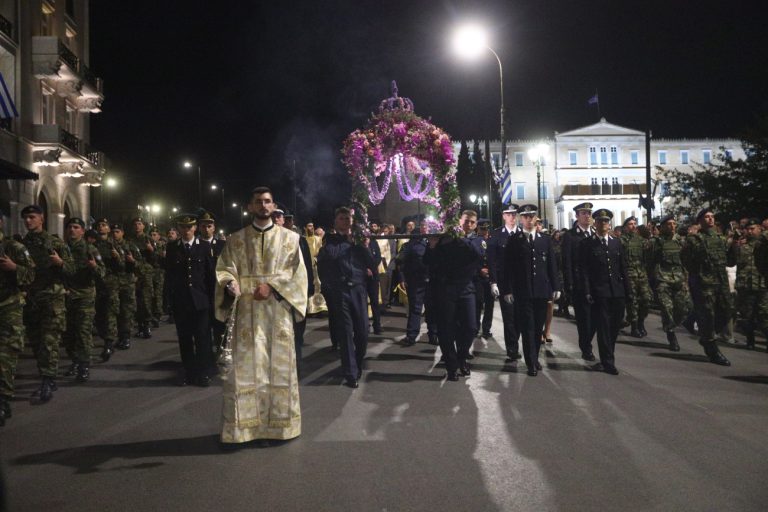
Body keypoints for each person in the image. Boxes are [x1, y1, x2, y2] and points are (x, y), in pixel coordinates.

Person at [215, 187, 307, 443]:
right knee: (246, 371)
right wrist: (229, 283)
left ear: (273, 205)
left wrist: (273, 286)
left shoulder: (291, 239)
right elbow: (224, 269)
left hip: (277, 314)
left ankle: (278, 428)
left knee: (277, 369)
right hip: (246, 312)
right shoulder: (235, 240)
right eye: (258, 202)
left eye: (267, 201)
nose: (263, 206)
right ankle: (245, 430)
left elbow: (298, 275)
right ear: (250, 207)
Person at [21, 205, 74, 401]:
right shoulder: (21, 245)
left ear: (41, 219)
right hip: (31, 299)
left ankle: (48, 379)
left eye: (32, 217)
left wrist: (60, 263)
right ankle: (46, 375)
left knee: (49, 341)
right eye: (26, 218)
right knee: (35, 341)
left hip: (52, 298)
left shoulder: (54, 243)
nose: (28, 221)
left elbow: (72, 270)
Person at [317, 207, 374, 388]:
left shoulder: (359, 242)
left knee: (363, 331)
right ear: (336, 222)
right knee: (346, 333)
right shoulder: (331, 242)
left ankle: (357, 362)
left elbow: (371, 264)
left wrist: (363, 246)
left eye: (348, 218)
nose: (346, 221)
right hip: (340, 291)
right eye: (342, 218)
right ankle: (350, 373)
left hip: (358, 289)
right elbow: (329, 259)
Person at [501, 205, 561, 376]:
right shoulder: (514, 240)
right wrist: (507, 290)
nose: (528, 220)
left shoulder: (545, 239)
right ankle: (531, 362)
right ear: (521, 219)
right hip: (523, 291)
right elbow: (508, 268)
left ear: (536, 218)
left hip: (541, 290)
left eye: (531, 216)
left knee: (538, 326)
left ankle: (534, 357)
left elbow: (551, 265)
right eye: (525, 217)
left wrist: (556, 286)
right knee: (528, 326)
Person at [424, 210, 483, 381]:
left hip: (466, 288)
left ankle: (461, 357)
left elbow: (478, 256)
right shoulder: (445, 239)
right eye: (466, 221)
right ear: (459, 221)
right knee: (446, 328)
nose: (469, 225)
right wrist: (433, 246)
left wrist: (461, 239)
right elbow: (428, 262)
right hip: (446, 288)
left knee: (471, 327)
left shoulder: (477, 240)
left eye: (472, 222)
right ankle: (451, 366)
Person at [166, 214, 217, 386]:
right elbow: (169, 276)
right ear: (179, 228)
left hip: (201, 301)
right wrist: (168, 300)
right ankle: (189, 372)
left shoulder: (203, 246)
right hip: (181, 302)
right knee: (185, 339)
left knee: (203, 338)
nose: (186, 230)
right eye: (183, 227)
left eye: (189, 227)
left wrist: (213, 301)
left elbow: (210, 276)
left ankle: (203, 373)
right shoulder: (172, 247)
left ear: (195, 228)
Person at [579, 209, 631, 375]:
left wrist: (628, 291)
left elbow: (623, 268)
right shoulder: (587, 244)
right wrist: (587, 291)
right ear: (595, 224)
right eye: (600, 222)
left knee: (614, 327)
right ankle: (608, 362)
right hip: (599, 292)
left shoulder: (616, 243)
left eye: (606, 222)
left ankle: (607, 356)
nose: (603, 224)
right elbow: (585, 270)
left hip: (617, 291)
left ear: (610, 224)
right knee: (603, 327)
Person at [681, 208, 732, 365]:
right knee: (708, 316)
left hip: (721, 282)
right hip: (704, 284)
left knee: (727, 311)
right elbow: (686, 260)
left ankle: (695, 322)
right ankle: (711, 348)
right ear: (700, 221)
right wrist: (698, 276)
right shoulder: (694, 240)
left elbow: (729, 260)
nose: (710, 219)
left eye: (712, 217)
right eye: (707, 217)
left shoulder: (721, 239)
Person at [0, 212, 35, 425]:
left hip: (8, 307)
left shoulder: (14, 248)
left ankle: (3, 400)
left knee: (5, 355)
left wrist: (15, 269)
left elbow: (32, 274)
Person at [62, 217, 105, 382]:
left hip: (84, 295)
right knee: (68, 333)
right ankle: (74, 360)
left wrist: (94, 267)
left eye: (76, 227)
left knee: (83, 332)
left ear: (82, 231)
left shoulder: (90, 249)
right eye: (70, 227)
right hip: (66, 296)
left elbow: (102, 273)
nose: (72, 230)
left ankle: (83, 365)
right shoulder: (63, 249)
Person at [648, 215, 691, 351]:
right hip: (663, 280)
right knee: (667, 309)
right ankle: (671, 335)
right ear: (663, 227)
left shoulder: (681, 242)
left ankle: (673, 325)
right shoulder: (656, 242)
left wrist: (686, 280)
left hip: (679, 280)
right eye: (669, 224)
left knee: (683, 309)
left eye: (674, 223)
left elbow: (686, 261)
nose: (672, 226)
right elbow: (649, 261)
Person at [562, 202, 597, 361]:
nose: (587, 216)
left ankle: (587, 342)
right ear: (577, 216)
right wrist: (569, 284)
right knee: (584, 319)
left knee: (597, 319)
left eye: (589, 213)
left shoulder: (595, 233)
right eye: (584, 213)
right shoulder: (570, 236)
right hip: (579, 283)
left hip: (597, 283)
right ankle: (586, 347)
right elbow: (567, 261)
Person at [487, 205, 521, 361]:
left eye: (514, 214)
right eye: (509, 214)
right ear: (504, 216)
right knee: (509, 318)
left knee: (521, 318)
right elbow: (492, 261)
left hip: (522, 283)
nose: (512, 217)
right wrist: (493, 282)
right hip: (504, 283)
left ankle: (516, 342)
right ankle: (512, 349)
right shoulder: (496, 235)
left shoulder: (522, 234)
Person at [728, 218, 767, 350]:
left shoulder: (764, 246)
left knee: (764, 315)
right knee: (747, 316)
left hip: (763, 285)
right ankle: (750, 341)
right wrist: (733, 245)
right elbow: (730, 262)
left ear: (760, 229)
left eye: (753, 229)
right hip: (746, 286)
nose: (750, 232)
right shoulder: (741, 246)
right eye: (748, 229)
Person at [399, 220, 437, 345]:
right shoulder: (412, 244)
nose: (425, 228)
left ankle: (433, 335)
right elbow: (402, 262)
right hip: (416, 281)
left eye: (427, 226)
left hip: (432, 281)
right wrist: (403, 278)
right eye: (423, 226)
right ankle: (411, 336)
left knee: (432, 309)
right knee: (415, 309)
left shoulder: (436, 242)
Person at [93, 218, 123, 361]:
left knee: (110, 313)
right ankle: (104, 336)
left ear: (108, 229)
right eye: (99, 225)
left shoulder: (115, 245)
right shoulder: (93, 245)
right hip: (96, 284)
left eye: (104, 225)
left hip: (111, 283)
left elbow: (124, 266)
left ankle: (109, 343)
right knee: (98, 314)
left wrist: (117, 258)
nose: (101, 227)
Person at [621, 216, 652, 338]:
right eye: (630, 224)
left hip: (642, 275)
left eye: (635, 224)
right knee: (632, 301)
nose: (633, 226)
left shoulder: (641, 241)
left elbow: (650, 254)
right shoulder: (621, 241)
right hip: (629, 275)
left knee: (646, 299)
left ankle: (641, 322)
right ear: (625, 227)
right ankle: (634, 326)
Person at [111, 224, 139, 350]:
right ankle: (115, 337)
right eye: (113, 231)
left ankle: (126, 336)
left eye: (117, 231)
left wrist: (131, 260)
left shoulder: (130, 245)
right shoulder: (107, 245)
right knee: (113, 310)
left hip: (127, 281)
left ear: (122, 233)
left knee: (127, 310)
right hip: (112, 282)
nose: (115, 234)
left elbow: (140, 262)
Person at [127, 217, 154, 339]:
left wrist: (151, 250)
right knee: (136, 301)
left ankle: (146, 325)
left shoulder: (148, 239)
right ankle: (139, 325)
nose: (137, 226)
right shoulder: (130, 240)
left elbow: (157, 258)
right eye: (135, 224)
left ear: (143, 226)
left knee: (146, 299)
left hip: (146, 272)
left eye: (139, 224)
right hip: (134, 273)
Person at [474, 221, 494, 339]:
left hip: (490, 278)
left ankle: (486, 329)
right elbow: (472, 259)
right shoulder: (475, 241)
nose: (484, 231)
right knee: (478, 304)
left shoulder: (492, 240)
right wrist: (479, 269)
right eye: (482, 229)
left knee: (489, 305)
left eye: (486, 228)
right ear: (478, 229)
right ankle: (475, 328)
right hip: (479, 278)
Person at [149, 227, 166, 325]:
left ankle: (158, 314)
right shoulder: (147, 244)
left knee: (158, 294)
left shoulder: (161, 245)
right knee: (150, 294)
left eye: (155, 235)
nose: (152, 237)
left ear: (159, 236)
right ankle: (151, 314)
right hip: (149, 272)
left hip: (158, 272)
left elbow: (163, 256)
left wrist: (153, 250)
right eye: (151, 235)